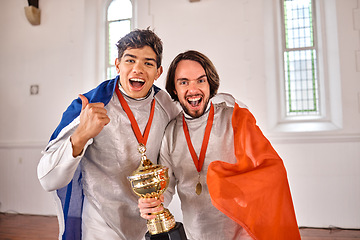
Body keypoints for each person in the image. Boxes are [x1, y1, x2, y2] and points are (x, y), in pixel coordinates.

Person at [138, 50, 301, 240]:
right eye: (184, 82)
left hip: (242, 234)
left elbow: (271, 168)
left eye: (201, 80)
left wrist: (223, 180)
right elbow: (165, 188)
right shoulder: (171, 133)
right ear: (174, 89)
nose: (193, 89)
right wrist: (153, 203)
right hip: (196, 235)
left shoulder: (234, 119)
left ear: (210, 84)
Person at [37, 29, 179, 240]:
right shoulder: (90, 106)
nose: (138, 69)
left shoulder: (167, 106)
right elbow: (47, 179)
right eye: (130, 60)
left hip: (146, 221)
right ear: (118, 65)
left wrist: (160, 201)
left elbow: (172, 162)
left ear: (158, 72)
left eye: (148, 63)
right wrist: (81, 136)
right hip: (100, 219)